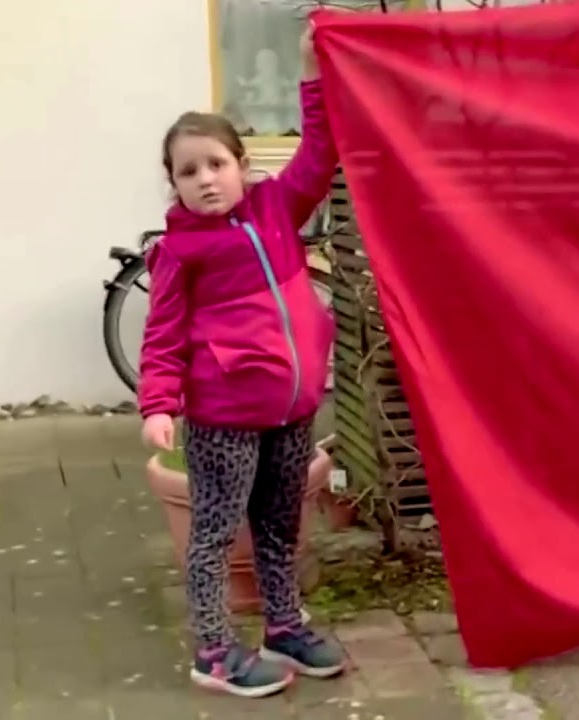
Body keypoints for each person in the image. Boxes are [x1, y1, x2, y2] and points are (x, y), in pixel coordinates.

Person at [138, 25, 343, 698]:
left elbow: (322, 151)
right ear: (173, 184)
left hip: (292, 407)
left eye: (214, 164)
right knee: (216, 533)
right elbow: (163, 334)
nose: (204, 180)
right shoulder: (181, 252)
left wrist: (312, 69)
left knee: (281, 524)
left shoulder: (278, 208)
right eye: (188, 172)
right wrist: (158, 405)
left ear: (241, 164)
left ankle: (283, 626)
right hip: (225, 418)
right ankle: (215, 653)